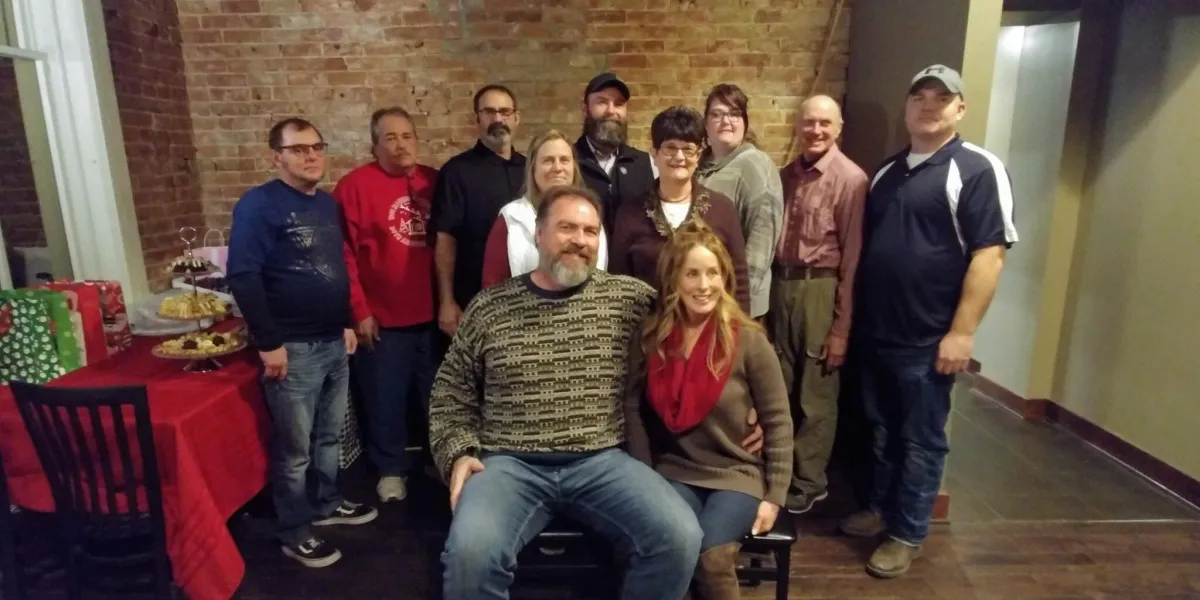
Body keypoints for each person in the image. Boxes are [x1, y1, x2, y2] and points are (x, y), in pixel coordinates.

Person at [429, 185, 764, 600]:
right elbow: (450, 392)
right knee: (469, 557)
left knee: (679, 537)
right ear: (538, 233)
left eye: (590, 230)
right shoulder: (490, 307)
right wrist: (458, 451)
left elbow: (709, 334)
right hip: (508, 463)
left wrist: (753, 406)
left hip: (603, 461)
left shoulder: (631, 299)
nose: (579, 240)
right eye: (567, 227)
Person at [846, 65, 1017, 578]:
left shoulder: (977, 168)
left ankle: (907, 532)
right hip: (877, 332)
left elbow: (990, 256)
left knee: (922, 438)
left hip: (928, 337)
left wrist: (961, 332)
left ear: (959, 109)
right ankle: (881, 509)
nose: (927, 105)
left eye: (941, 98)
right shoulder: (887, 171)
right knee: (880, 430)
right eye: (918, 96)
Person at [227, 117, 377, 568]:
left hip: (333, 340)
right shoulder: (259, 205)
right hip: (292, 348)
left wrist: (346, 321)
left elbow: (334, 267)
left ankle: (327, 502)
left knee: (329, 435)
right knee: (294, 452)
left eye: (316, 147)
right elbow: (243, 275)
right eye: (298, 149)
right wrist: (269, 342)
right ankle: (294, 531)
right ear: (277, 156)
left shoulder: (326, 205)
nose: (310, 156)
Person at [625, 222, 793, 600]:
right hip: (675, 471)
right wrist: (644, 473)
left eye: (713, 273)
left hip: (735, 474)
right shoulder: (653, 338)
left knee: (712, 558)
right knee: (669, 549)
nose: (705, 285)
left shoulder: (749, 339)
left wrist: (775, 496)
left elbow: (778, 420)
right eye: (693, 274)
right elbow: (632, 407)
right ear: (674, 280)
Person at [334, 106, 438, 503]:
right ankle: (391, 469)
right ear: (374, 145)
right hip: (382, 318)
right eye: (389, 138)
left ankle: (439, 461)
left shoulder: (433, 180)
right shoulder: (354, 187)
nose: (400, 145)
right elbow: (343, 254)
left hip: (433, 315)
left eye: (407, 136)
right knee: (384, 399)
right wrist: (358, 309)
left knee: (437, 397)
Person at [772, 95, 869, 515]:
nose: (815, 130)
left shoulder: (851, 180)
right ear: (798, 125)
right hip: (781, 287)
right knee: (780, 384)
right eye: (809, 122)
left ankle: (809, 481)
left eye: (824, 124)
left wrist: (841, 328)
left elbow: (853, 258)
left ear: (839, 127)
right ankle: (779, 472)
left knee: (816, 393)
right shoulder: (784, 176)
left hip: (820, 289)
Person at [608, 106, 751, 313]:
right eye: (670, 148)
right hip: (648, 331)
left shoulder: (722, 209)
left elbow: (738, 280)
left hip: (710, 331)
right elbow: (618, 284)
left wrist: (739, 330)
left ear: (699, 155)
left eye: (688, 149)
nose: (680, 157)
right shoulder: (630, 213)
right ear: (654, 153)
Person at [430, 84, 526, 339]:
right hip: (473, 302)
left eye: (505, 112)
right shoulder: (456, 171)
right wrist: (447, 301)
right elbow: (445, 239)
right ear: (477, 118)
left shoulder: (531, 170)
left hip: (526, 303)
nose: (498, 119)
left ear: (516, 117)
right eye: (489, 112)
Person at [695, 84, 784, 320]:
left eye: (734, 114)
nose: (726, 121)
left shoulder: (755, 166)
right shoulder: (699, 166)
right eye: (717, 114)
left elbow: (761, 244)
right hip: (702, 297)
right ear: (706, 123)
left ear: (744, 121)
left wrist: (736, 302)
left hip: (736, 305)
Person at [480, 129, 608, 288]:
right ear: (533, 168)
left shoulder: (590, 216)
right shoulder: (511, 217)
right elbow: (492, 285)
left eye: (564, 160)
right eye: (548, 160)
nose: (557, 167)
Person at [574, 72, 657, 232]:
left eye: (619, 104)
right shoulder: (568, 161)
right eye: (602, 102)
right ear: (585, 109)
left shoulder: (644, 163)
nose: (611, 111)